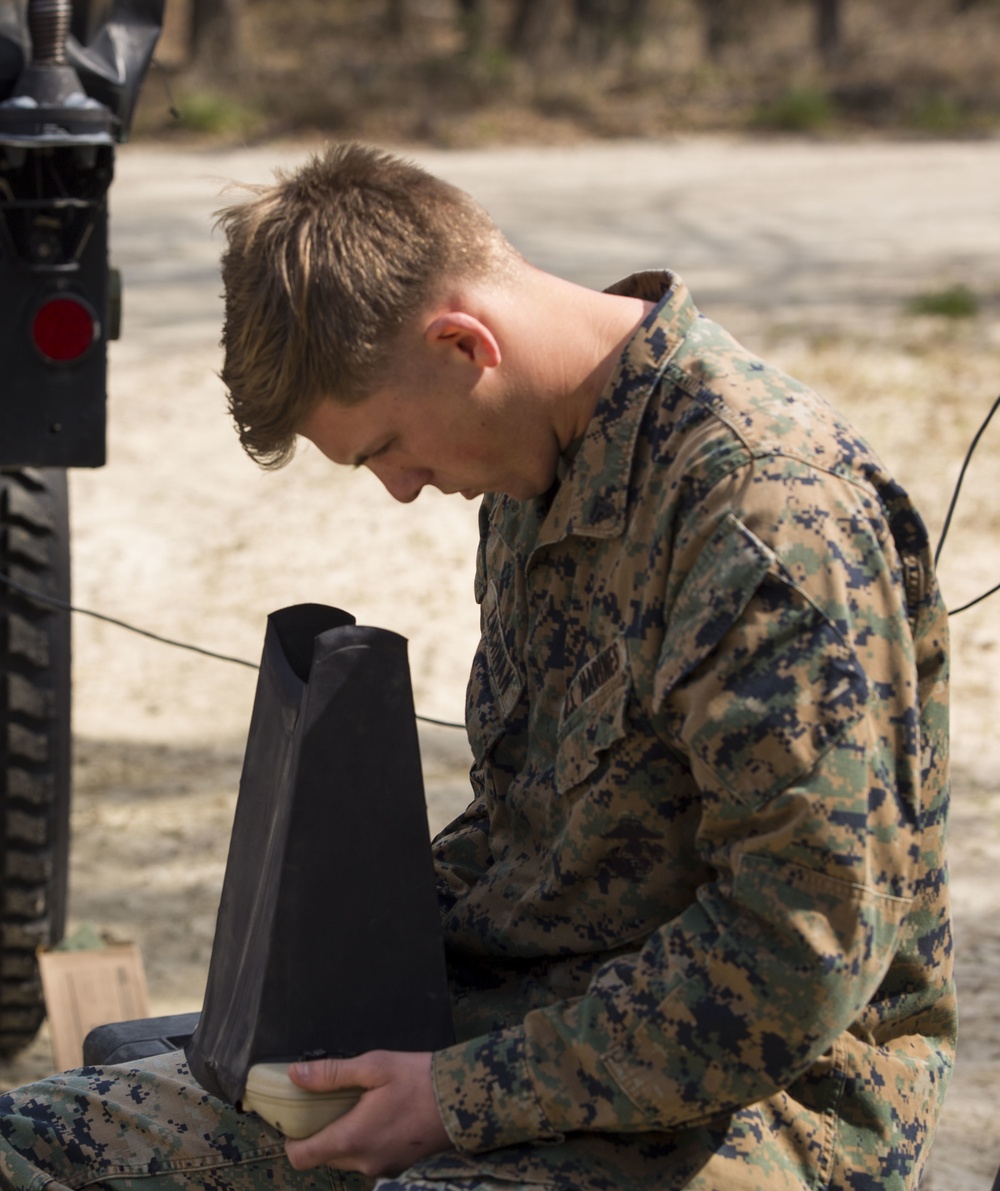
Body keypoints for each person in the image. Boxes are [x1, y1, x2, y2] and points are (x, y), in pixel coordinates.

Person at [0, 142, 954, 1191]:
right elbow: (526, 837)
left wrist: (459, 1097)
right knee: (33, 1141)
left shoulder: (762, 517)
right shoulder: (530, 466)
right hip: (514, 1030)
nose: (401, 490)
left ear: (462, 344)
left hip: (756, 1102)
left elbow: (794, 958)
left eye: (385, 448)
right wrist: (323, 990)